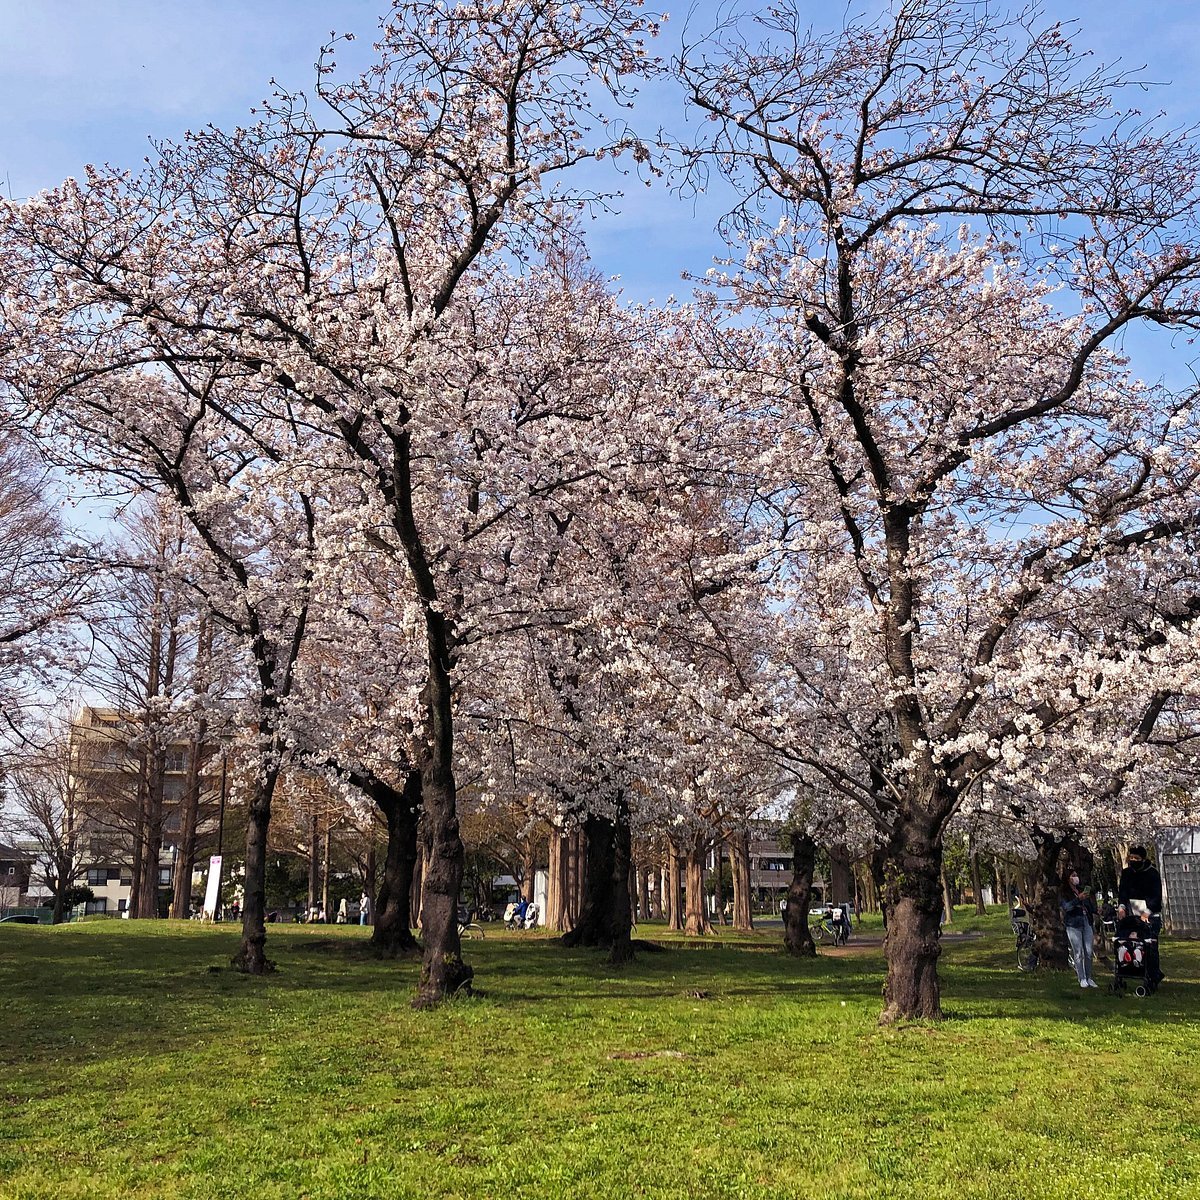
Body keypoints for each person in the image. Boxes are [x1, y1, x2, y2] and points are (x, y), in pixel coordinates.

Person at [1118, 846, 1164, 986]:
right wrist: (1121, 907)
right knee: (1127, 941)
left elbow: (1156, 896)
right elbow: (1123, 893)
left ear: (1143, 859)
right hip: (1132, 914)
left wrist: (1148, 911)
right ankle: (1126, 970)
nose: (1133, 860)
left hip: (1150, 915)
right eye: (1131, 858)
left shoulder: (1152, 874)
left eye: (1136, 858)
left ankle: (1153, 975)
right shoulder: (1127, 873)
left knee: (1150, 945)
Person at [1059, 869, 1098, 988]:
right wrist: (1078, 899)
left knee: (1089, 951)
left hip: (1086, 921)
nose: (1076, 877)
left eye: (1076, 875)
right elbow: (1066, 907)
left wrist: (1096, 910)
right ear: (1068, 878)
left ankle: (1089, 977)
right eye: (1073, 875)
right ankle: (1081, 978)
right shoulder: (1064, 893)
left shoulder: (1081, 890)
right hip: (1073, 923)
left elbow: (1088, 905)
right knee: (1078, 952)